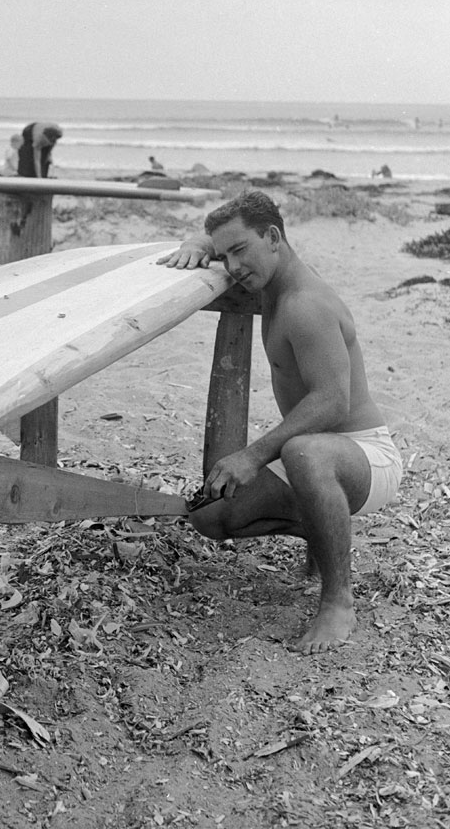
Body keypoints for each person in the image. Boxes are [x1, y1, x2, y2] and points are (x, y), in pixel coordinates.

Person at [159, 190, 401, 654]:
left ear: (273, 237)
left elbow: (333, 403)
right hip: (316, 452)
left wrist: (252, 455)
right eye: (224, 255)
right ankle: (323, 526)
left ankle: (337, 602)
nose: (231, 267)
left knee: (303, 450)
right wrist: (197, 241)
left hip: (365, 456)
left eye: (239, 252)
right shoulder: (267, 273)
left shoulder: (304, 304)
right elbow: (228, 234)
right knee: (211, 516)